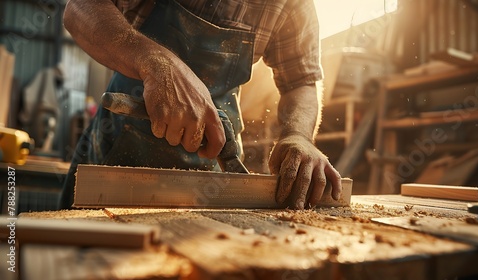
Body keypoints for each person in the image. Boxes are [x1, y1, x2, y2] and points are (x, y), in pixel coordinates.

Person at [59, 0, 342, 210]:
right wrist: (156, 62)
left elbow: (301, 81)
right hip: (115, 156)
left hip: (212, 168)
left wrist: (298, 135)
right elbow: (80, 9)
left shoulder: (292, 5)